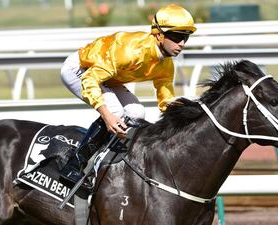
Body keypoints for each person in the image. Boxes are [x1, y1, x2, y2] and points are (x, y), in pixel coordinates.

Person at [59, 4, 197, 189]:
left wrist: (193, 112)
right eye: (177, 36)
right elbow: (91, 79)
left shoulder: (166, 64)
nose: (181, 43)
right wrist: (107, 116)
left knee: (136, 113)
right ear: (158, 34)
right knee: (114, 111)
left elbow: (166, 101)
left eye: (185, 37)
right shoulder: (131, 50)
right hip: (81, 69)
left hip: (109, 77)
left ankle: (107, 154)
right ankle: (75, 163)